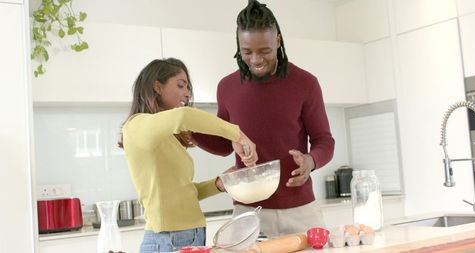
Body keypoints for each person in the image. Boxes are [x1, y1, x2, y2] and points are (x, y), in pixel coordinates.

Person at [192, 0, 335, 237]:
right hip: (248, 212)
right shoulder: (227, 87)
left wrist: (310, 161)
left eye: (264, 51)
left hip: (300, 211)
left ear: (277, 40)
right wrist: (189, 131)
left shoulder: (305, 83)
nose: (256, 60)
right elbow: (224, 145)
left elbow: (325, 141)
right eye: (247, 52)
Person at [119, 58, 258, 252]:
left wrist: (218, 184)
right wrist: (237, 135)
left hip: (191, 236)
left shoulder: (168, 136)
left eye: (188, 87)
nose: (187, 92)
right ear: (157, 87)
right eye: (181, 85)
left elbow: (182, 192)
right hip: (166, 240)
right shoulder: (136, 126)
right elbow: (184, 116)